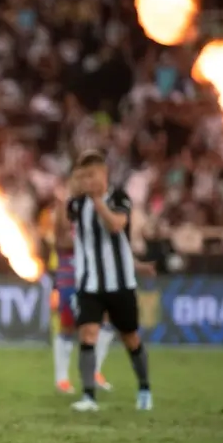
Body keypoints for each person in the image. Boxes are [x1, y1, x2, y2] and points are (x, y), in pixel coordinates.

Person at [66, 150, 152, 412]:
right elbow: (66, 221)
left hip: (120, 283)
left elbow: (116, 225)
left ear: (103, 174)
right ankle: (89, 396)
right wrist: (74, 190)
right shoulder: (76, 204)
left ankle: (145, 388)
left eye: (91, 175)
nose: (87, 181)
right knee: (87, 334)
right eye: (84, 176)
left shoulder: (119, 197)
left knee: (130, 337)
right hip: (89, 282)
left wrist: (98, 201)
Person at [52, 179, 112, 394]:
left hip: (91, 283)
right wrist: (61, 202)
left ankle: (94, 371)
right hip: (70, 284)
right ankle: (62, 379)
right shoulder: (65, 227)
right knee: (68, 328)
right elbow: (61, 239)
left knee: (104, 323)